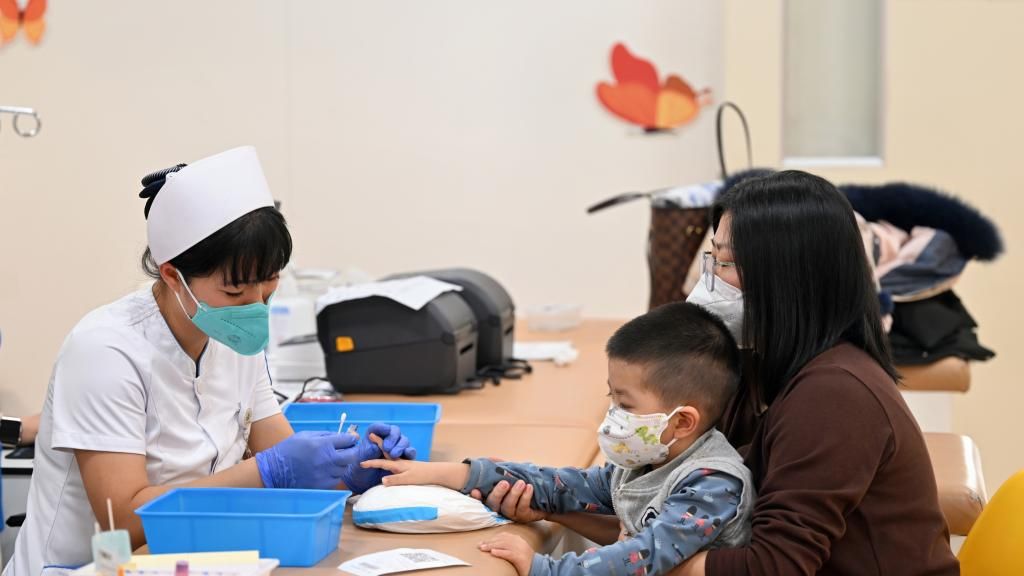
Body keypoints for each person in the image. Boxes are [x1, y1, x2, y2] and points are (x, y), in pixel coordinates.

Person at [4, 147, 414, 576]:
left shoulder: (233, 339)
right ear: (171, 275)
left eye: (269, 284)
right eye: (235, 293)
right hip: (89, 567)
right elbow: (121, 522)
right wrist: (268, 471)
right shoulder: (105, 352)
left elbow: (282, 457)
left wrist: (353, 468)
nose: (256, 306)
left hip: (190, 558)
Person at [362, 302, 754, 576]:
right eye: (611, 397)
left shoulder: (710, 483)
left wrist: (542, 567)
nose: (613, 415)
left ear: (683, 421)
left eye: (625, 404)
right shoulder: (649, 459)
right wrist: (451, 474)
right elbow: (560, 485)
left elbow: (644, 558)